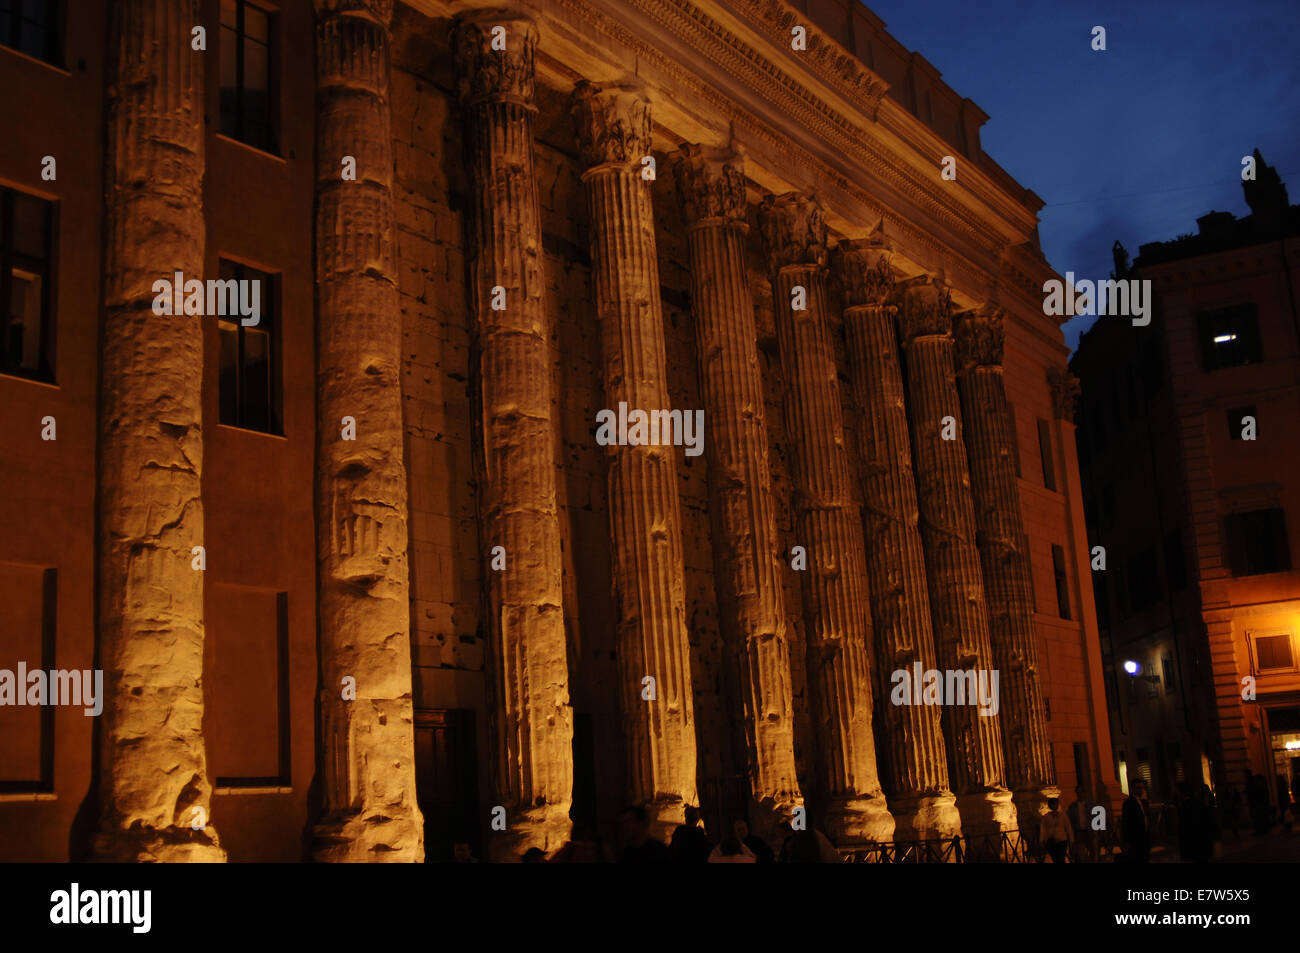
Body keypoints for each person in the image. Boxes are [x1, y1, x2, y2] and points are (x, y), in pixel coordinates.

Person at [1122, 780, 1151, 863]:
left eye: (1142, 788)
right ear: (1133, 789)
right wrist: (1126, 840)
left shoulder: (1144, 802)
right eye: (1138, 788)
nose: (1141, 790)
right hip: (1135, 837)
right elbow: (1126, 822)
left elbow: (1147, 817)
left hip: (1145, 835)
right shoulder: (1129, 803)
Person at [1039, 797, 1073, 863]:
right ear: (1050, 805)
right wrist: (1041, 840)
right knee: (1055, 859)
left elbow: (1068, 827)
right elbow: (1043, 829)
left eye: (1056, 804)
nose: (1055, 805)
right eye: (1054, 804)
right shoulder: (1046, 817)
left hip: (1062, 840)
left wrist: (1071, 839)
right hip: (1051, 841)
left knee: (1061, 858)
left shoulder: (1063, 815)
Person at [1066, 785, 1092, 861]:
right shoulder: (1072, 806)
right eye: (1078, 792)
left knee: (1092, 851)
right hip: (1079, 831)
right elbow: (1069, 819)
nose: (1080, 794)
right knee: (1080, 853)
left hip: (1089, 831)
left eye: (1082, 792)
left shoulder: (1091, 805)